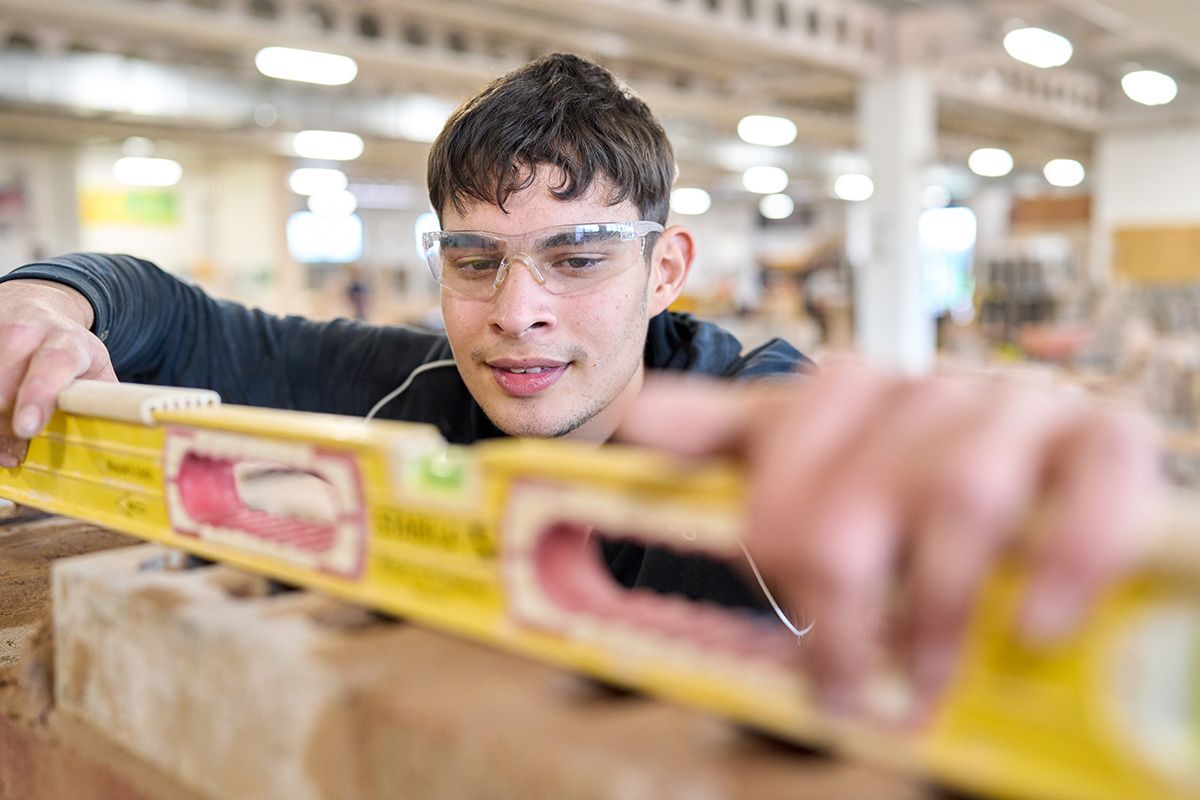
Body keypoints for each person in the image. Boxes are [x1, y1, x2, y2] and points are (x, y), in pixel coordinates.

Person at [0, 53, 1158, 722]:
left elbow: (898, 478)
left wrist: (1011, 477)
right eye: (476, 259)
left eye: (578, 256)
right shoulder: (415, 388)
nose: (516, 311)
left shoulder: (760, 418)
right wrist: (46, 302)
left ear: (667, 267)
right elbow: (174, 309)